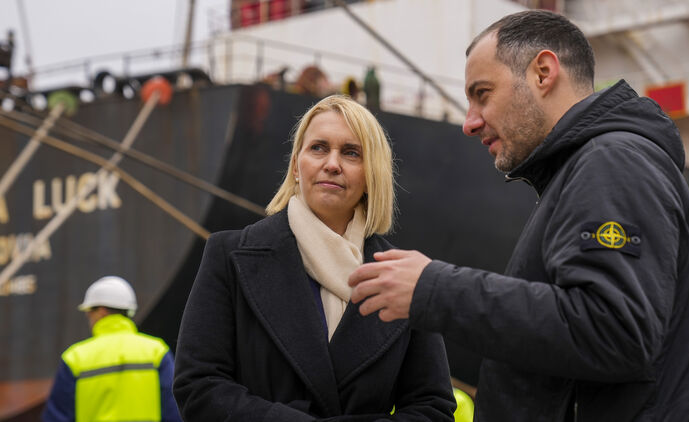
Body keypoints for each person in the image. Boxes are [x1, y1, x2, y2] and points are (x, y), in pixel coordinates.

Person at [348, 10, 689, 421]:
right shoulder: (590, 166)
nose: (469, 123)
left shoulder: (611, 162)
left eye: (482, 93)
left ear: (543, 73)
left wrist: (435, 290)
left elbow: (614, 330)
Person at [173, 95, 455, 421]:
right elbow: (198, 387)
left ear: (371, 174)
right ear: (296, 166)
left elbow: (433, 408)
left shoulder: (405, 277)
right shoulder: (229, 256)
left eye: (351, 153)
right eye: (318, 148)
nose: (332, 164)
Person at [42, 276, 181, 422]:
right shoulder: (156, 352)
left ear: (101, 311)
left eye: (89, 313)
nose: (88, 318)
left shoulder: (75, 358)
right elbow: (175, 411)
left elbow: (57, 417)